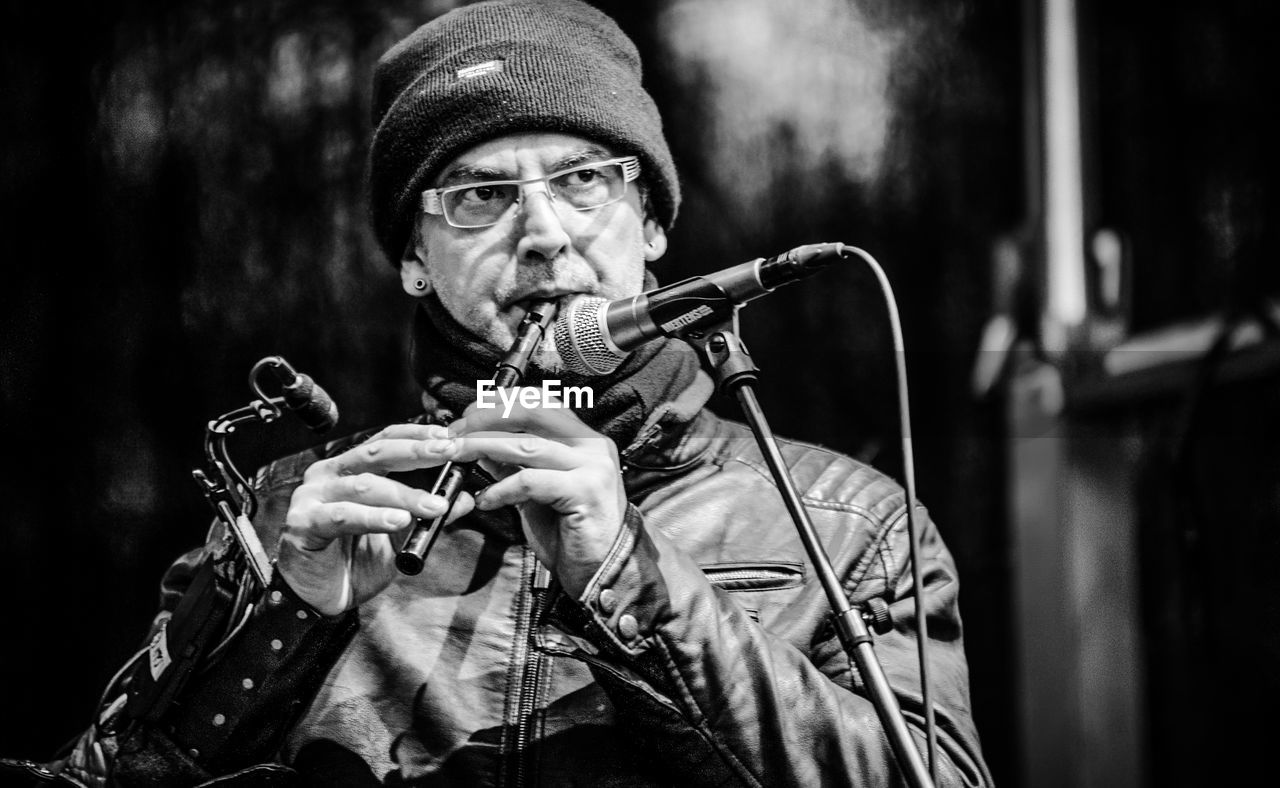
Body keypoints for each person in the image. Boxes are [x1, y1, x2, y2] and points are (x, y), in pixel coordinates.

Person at [13, 1, 991, 785]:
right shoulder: (296, 513)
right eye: (478, 195)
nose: (542, 233)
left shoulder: (846, 521)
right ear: (413, 259)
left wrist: (626, 573)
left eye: (582, 180)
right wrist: (278, 610)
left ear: (648, 223)